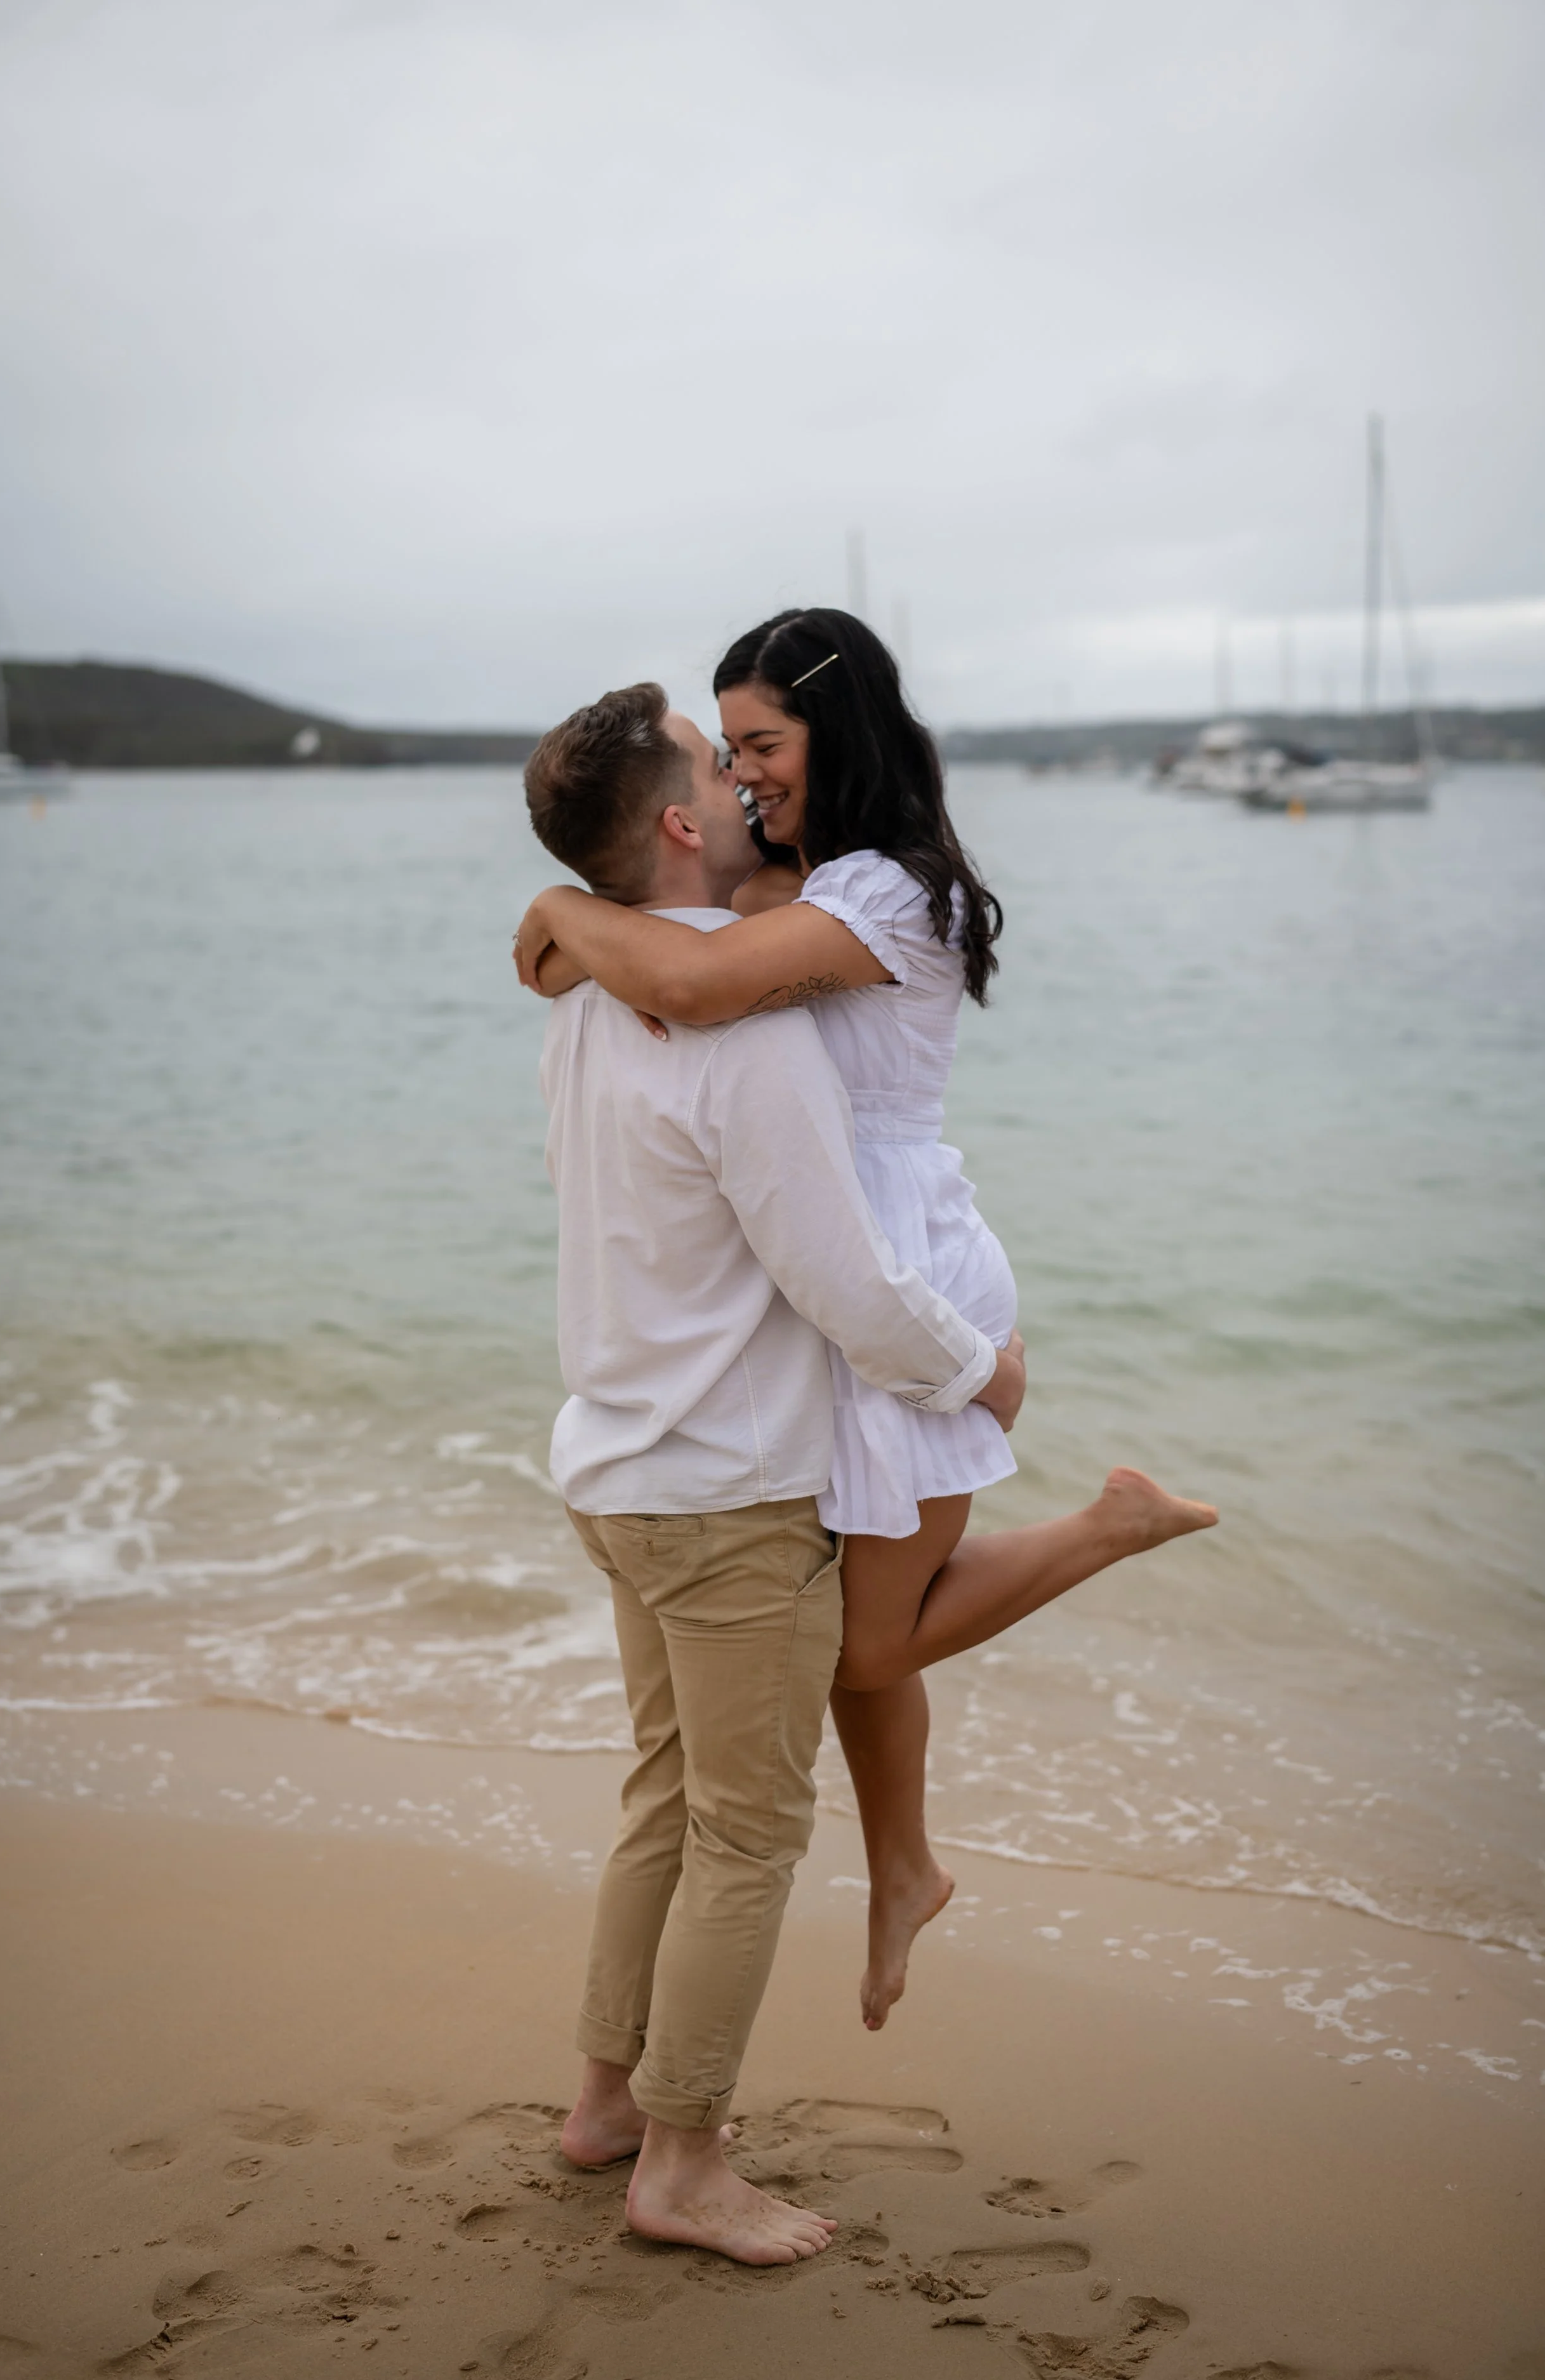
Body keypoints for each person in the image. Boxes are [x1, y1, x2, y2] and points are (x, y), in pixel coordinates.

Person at [515, 609, 1219, 2031]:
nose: (749, 772)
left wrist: (579, 913)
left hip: (897, 1266)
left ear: (839, 730)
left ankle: (1105, 1525)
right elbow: (566, 961)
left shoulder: (893, 892)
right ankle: (902, 1865)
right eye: (730, 752)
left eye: (764, 744)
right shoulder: (782, 870)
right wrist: (587, 916)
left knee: (860, 1643)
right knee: (838, 1611)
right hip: (818, 1268)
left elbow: (687, 976)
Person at [526, 680, 1025, 2266]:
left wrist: (552, 903)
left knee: (667, 1805)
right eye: (715, 766)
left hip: (613, 1467)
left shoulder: (596, 1006)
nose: (744, 785)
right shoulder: (748, 1043)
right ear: (686, 821)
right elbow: (847, 1289)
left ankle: (605, 2103)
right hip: (729, 1495)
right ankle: (679, 2165)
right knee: (745, 1836)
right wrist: (981, 1373)